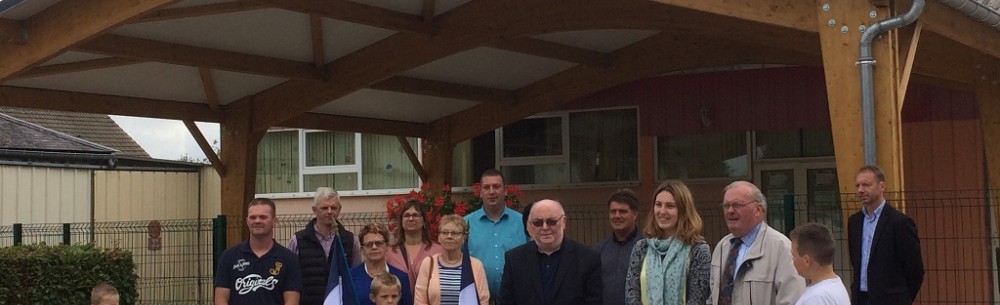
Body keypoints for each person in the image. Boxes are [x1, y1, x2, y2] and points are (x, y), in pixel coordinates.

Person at [709, 181, 803, 305]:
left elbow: (792, 299)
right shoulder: (722, 247)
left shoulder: (781, 248)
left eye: (737, 205)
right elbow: (713, 297)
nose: (730, 211)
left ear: (758, 210)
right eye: (726, 205)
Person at [499, 199, 601, 305]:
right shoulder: (514, 260)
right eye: (537, 223)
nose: (545, 227)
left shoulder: (588, 259)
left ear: (564, 222)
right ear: (529, 225)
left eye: (551, 222)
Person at [848, 165, 924, 305]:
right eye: (857, 185)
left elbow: (915, 269)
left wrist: (902, 298)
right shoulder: (854, 222)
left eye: (866, 185)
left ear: (882, 186)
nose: (860, 190)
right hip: (861, 298)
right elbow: (856, 263)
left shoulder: (899, 222)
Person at [625, 181, 710, 305]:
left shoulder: (698, 250)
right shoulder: (641, 247)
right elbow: (631, 294)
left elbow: (698, 298)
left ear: (683, 211)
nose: (662, 211)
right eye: (658, 204)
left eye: (670, 206)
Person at [214, 198, 302, 305]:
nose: (257, 221)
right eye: (253, 217)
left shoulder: (289, 259)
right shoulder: (229, 256)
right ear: (247, 221)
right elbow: (221, 299)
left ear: (274, 221)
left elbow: (291, 300)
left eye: (263, 217)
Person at [288, 187, 363, 305]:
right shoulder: (298, 241)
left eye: (333, 208)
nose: (329, 211)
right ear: (314, 210)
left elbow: (355, 276)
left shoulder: (350, 240)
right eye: (324, 208)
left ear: (339, 209)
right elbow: (291, 279)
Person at [464, 169, 527, 298]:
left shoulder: (523, 223)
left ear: (505, 190)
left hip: (515, 297)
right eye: (486, 187)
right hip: (477, 298)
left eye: (496, 187)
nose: (492, 192)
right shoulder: (466, 224)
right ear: (480, 192)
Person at [414, 215, 490, 305]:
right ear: (439, 237)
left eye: (455, 233)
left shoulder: (475, 265)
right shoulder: (428, 263)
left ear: (463, 238)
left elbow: (483, 300)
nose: (449, 236)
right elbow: (420, 301)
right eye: (445, 232)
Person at [593, 189, 645, 305]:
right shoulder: (598, 251)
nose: (617, 216)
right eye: (613, 211)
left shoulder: (647, 249)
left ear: (635, 214)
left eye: (622, 211)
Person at [387, 199, 445, 292]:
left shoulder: (438, 251)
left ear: (424, 221)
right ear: (401, 221)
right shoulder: (390, 253)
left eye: (415, 215)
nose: (411, 219)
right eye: (406, 215)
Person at [351, 223, 413, 305]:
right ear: (362, 249)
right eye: (369, 244)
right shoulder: (350, 277)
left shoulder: (401, 277)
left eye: (379, 243)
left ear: (387, 246)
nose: (374, 247)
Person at [789, 222, 850, 305]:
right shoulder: (834, 287)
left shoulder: (816, 298)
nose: (792, 260)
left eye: (794, 255)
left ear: (806, 260)